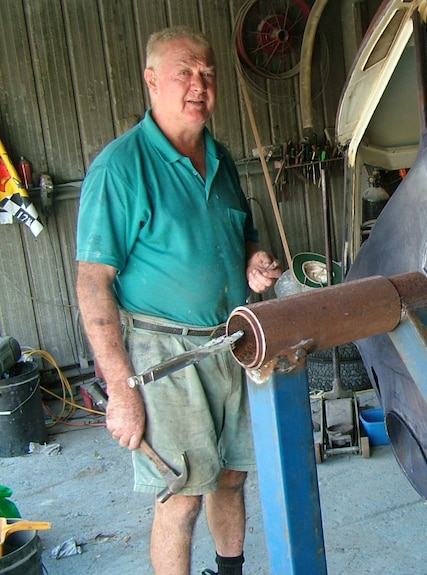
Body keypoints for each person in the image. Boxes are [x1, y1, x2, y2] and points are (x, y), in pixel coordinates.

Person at [76, 26, 282, 575]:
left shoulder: (223, 159)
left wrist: (253, 263)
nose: (199, 84)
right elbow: (93, 283)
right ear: (151, 81)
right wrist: (120, 391)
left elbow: (244, 238)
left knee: (232, 477)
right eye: (184, 72)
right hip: (165, 358)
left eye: (208, 74)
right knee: (183, 494)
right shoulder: (120, 168)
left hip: (234, 342)